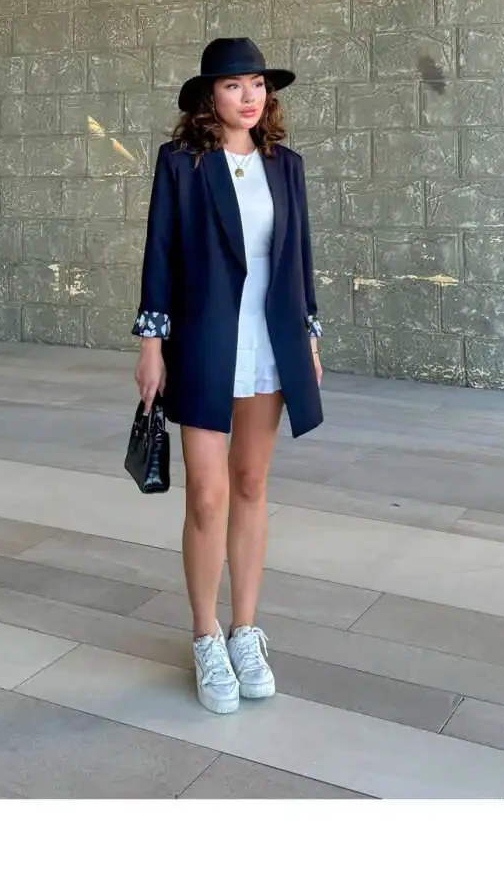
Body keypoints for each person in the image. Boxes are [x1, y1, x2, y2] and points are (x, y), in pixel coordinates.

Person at [132, 37, 323, 714]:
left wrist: (308, 333)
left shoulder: (286, 166)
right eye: (234, 85)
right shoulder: (181, 164)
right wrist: (151, 344)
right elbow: (159, 252)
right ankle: (205, 636)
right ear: (208, 97)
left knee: (250, 485)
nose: (249, 97)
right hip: (207, 340)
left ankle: (245, 631)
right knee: (207, 497)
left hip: (271, 343)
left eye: (257, 85)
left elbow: (298, 256)